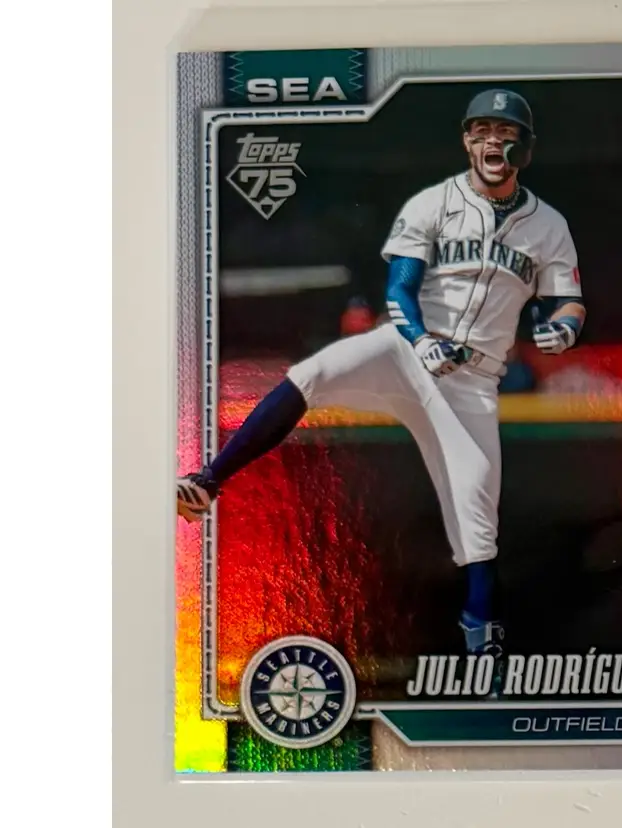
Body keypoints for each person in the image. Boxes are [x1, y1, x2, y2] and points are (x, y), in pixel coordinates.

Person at [176, 88, 586, 689]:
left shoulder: (549, 225)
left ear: (525, 145)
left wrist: (566, 327)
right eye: (481, 130)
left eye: (505, 132)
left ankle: (485, 663)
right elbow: (399, 288)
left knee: (476, 519)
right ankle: (208, 482)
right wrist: (420, 339)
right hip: (406, 349)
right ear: (466, 139)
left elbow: (567, 298)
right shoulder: (432, 203)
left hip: (472, 381)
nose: (492, 141)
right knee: (314, 373)